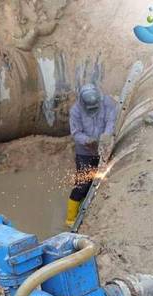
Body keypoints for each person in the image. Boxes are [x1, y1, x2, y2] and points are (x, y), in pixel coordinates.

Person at [65, 83, 117, 227]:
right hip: (85, 152)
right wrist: (88, 141)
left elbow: (110, 121)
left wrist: (106, 136)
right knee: (83, 184)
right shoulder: (76, 111)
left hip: (104, 149)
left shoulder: (107, 103)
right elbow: (75, 133)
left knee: (99, 182)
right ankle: (70, 218)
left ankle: (88, 213)